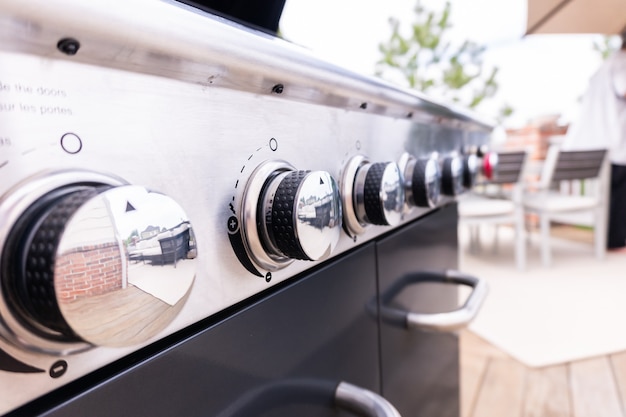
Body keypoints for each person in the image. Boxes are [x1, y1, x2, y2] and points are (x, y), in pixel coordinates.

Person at [562, 28, 626, 250]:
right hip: (613, 141)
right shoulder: (621, 63)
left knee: (613, 192)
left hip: (599, 141)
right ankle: (614, 242)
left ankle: (611, 239)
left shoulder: (606, 65)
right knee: (617, 193)